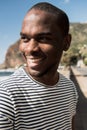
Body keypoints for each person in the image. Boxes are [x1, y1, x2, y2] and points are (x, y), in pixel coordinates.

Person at [0, 2, 78, 130]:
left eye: (43, 38)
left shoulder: (69, 88)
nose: (30, 49)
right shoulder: (6, 97)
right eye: (25, 38)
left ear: (66, 42)